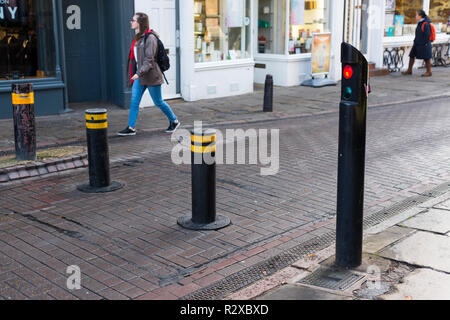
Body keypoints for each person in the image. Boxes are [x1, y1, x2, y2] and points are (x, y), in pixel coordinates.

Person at [118, 13, 180, 136]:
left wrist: (138, 73)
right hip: (140, 77)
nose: (131, 22)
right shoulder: (138, 37)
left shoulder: (150, 38)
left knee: (158, 102)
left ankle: (174, 121)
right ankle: (131, 127)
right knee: (134, 102)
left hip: (151, 76)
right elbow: (135, 58)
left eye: (133, 20)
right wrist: (136, 73)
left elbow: (149, 60)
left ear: (140, 23)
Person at [402, 10, 432, 77]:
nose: (415, 16)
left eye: (416, 15)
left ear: (420, 16)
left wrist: (423, 43)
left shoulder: (425, 24)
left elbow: (427, 35)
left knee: (426, 58)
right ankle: (409, 70)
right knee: (411, 55)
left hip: (424, 44)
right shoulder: (420, 23)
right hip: (417, 43)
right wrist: (416, 41)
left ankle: (429, 71)